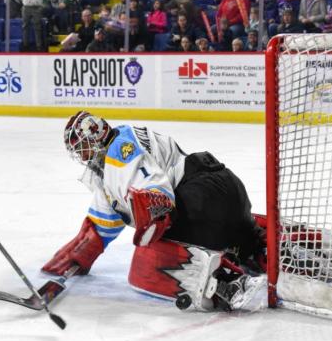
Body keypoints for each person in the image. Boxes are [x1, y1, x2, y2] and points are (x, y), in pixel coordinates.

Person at [42, 112, 267, 312]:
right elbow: (100, 226)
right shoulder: (121, 147)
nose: (82, 156)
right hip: (228, 191)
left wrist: (151, 219)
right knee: (241, 237)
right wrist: (76, 255)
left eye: (82, 147)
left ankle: (226, 283)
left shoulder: (120, 152)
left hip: (201, 201)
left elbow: (156, 195)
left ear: (96, 136)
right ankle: (263, 246)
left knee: (147, 260)